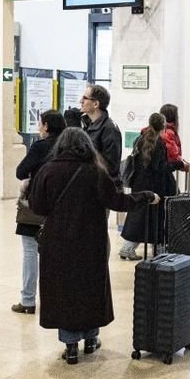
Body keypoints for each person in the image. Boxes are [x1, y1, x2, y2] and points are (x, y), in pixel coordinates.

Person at [28, 127, 160, 364]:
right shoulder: (95, 173)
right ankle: (90, 339)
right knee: (89, 286)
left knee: (63, 289)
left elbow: (37, 207)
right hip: (90, 242)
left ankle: (70, 345)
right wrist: (146, 196)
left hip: (57, 242)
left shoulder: (48, 171)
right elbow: (119, 201)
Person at [11, 109, 66, 313]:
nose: (38, 127)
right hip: (61, 207)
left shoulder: (40, 146)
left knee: (30, 251)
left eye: (40, 123)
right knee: (57, 254)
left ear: (46, 126)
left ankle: (27, 300)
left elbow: (20, 171)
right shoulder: (68, 145)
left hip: (36, 205)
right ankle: (56, 299)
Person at [119, 114, 178, 260]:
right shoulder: (159, 144)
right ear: (163, 126)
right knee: (156, 218)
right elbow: (160, 168)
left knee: (138, 216)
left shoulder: (140, 139)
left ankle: (129, 248)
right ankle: (157, 249)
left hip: (138, 185)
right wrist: (177, 165)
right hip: (154, 186)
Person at [80, 84, 122, 181]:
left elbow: (111, 167)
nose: (81, 101)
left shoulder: (110, 129)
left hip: (103, 187)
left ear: (95, 104)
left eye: (85, 98)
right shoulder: (87, 125)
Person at [158, 103, 190, 181]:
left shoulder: (168, 131)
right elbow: (172, 155)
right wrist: (182, 164)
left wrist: (182, 161)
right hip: (164, 172)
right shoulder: (169, 133)